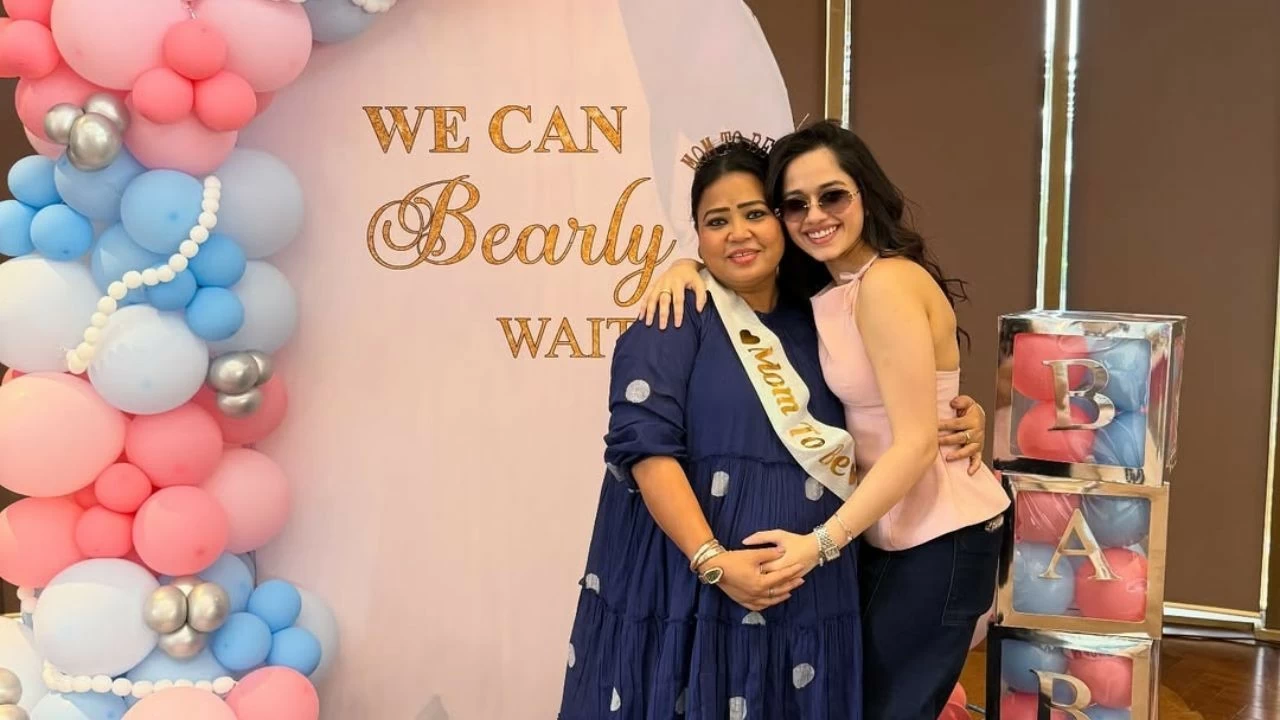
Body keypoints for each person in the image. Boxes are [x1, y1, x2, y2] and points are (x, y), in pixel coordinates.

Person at [638, 121, 1011, 718]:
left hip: (937, 531)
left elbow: (916, 445)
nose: (815, 215)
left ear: (864, 192)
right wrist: (688, 270)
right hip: (887, 530)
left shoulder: (886, 284)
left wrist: (819, 545)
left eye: (832, 196)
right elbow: (742, 263)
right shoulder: (829, 287)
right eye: (794, 204)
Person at [558, 139, 864, 719]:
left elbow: (883, 411)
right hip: (690, 594)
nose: (738, 233)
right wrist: (714, 561)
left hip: (807, 597)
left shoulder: (825, 318)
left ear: (783, 220)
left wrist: (960, 416)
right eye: (716, 220)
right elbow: (645, 453)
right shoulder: (673, 318)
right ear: (696, 235)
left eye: (754, 213)